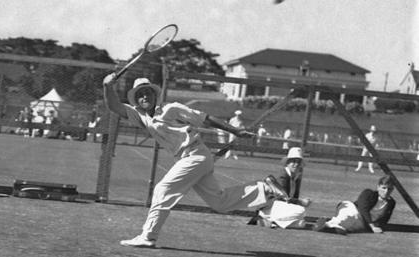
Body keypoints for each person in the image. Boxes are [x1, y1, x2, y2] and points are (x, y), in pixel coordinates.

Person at [103, 74, 290, 248]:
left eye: (147, 92)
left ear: (154, 94)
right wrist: (107, 86)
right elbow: (114, 107)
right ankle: (264, 188)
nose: (144, 96)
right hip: (189, 158)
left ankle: (148, 236)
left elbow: (205, 119)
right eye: (140, 94)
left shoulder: (171, 108)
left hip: (195, 155)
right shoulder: (140, 115)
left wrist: (235, 131)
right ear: (136, 100)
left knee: (162, 190)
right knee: (220, 203)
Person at [250, 147, 312, 229]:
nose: (296, 164)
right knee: (301, 211)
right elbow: (283, 198)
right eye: (293, 161)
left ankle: (270, 223)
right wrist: (301, 202)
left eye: (298, 162)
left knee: (301, 223)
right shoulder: (283, 176)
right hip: (270, 207)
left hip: (280, 207)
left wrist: (300, 202)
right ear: (287, 163)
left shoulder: (296, 176)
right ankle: (267, 218)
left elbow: (293, 198)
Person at [313, 175, 395, 235]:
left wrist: (377, 228)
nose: (386, 191)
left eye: (389, 189)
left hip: (362, 223)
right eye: (384, 188)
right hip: (351, 208)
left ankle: (330, 226)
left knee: (352, 225)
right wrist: (373, 227)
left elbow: (384, 220)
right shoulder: (368, 193)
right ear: (378, 187)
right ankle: (328, 224)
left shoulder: (391, 203)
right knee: (352, 214)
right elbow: (363, 209)